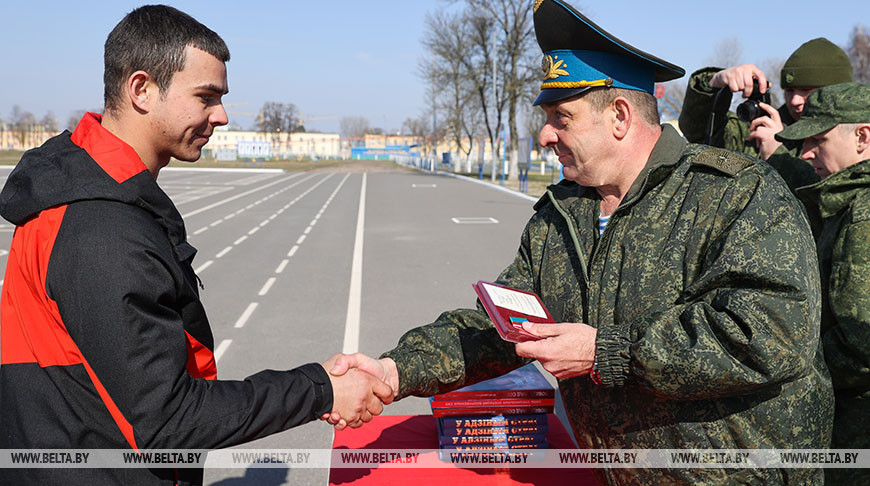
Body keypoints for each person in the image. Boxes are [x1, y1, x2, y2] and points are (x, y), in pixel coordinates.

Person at [328, 0, 833, 483]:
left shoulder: (735, 193)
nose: (545, 135)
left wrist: (604, 352)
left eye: (560, 118)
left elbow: (771, 335)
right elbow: (503, 327)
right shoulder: (563, 214)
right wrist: (396, 369)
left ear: (619, 116)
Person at [0, 5, 390, 485]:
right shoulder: (99, 230)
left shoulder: (100, 199)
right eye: (206, 97)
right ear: (141, 89)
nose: (221, 115)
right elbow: (168, 420)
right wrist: (320, 390)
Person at [775, 82, 870, 485]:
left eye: (819, 140)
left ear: (863, 137)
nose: (806, 153)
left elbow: (860, 344)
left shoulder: (863, 216)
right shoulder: (844, 202)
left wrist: (788, 370)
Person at [679, 37, 853, 192]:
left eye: (806, 90)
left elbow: (830, 201)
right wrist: (713, 84)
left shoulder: (856, 138)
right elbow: (698, 131)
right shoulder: (759, 130)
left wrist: (779, 156)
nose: (794, 100)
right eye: (790, 91)